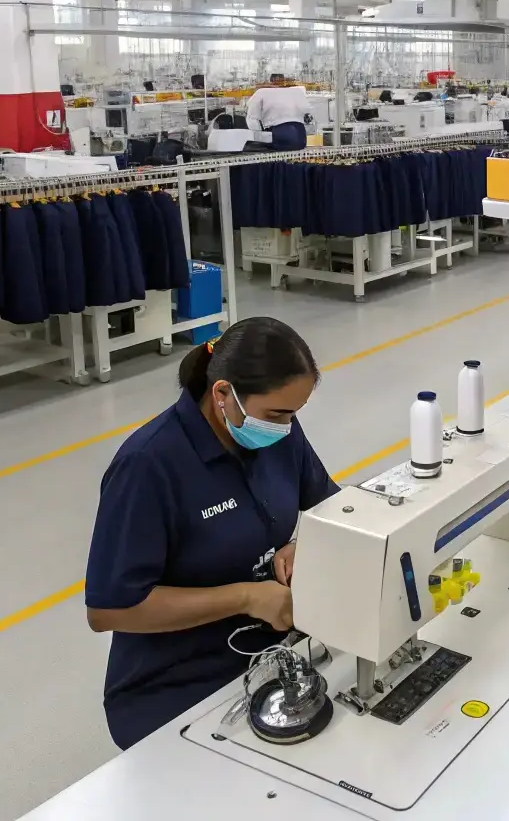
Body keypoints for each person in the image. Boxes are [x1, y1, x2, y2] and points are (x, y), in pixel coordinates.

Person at [84, 317, 338, 750]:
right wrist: (246, 597)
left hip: (274, 654)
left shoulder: (275, 432)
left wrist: (306, 543)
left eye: (293, 415)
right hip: (179, 681)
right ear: (223, 394)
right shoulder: (148, 466)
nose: (286, 427)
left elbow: (330, 506)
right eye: (277, 415)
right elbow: (109, 610)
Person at [244, 72, 311, 151]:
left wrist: (258, 139)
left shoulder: (262, 92)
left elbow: (252, 119)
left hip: (280, 137)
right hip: (301, 138)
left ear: (271, 80)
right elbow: (307, 115)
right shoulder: (297, 91)